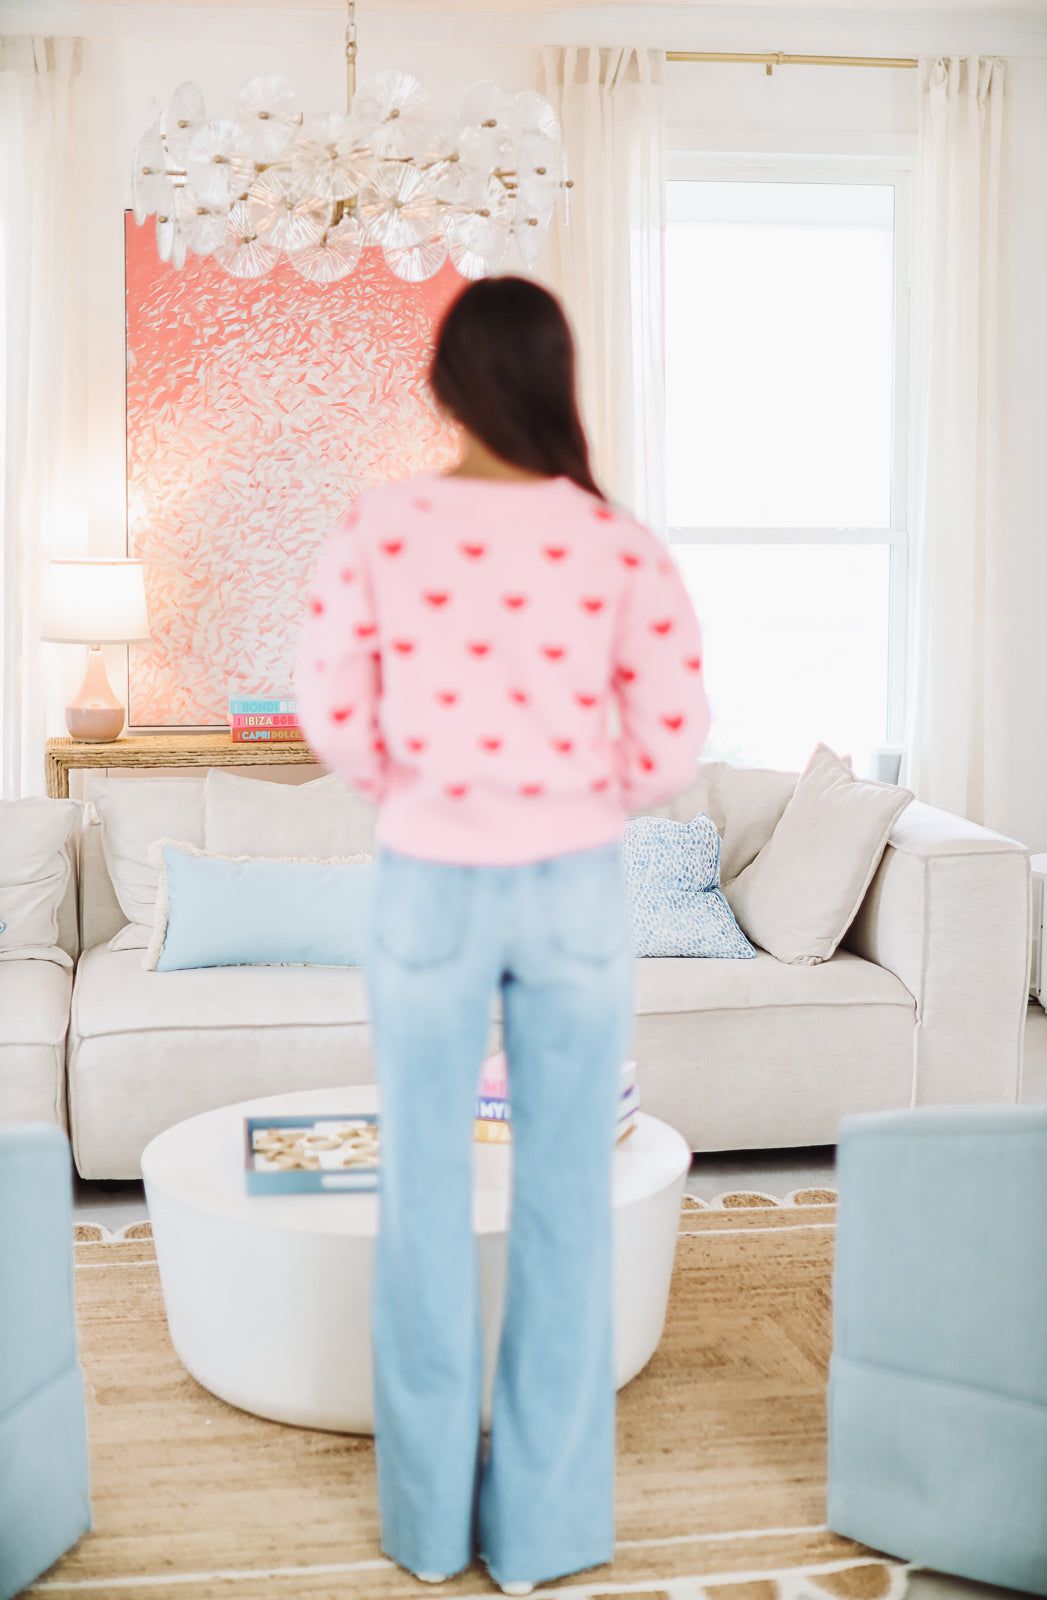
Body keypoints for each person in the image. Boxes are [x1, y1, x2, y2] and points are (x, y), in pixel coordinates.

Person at [295, 276, 709, 1594]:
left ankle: (426, 1532)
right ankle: (542, 1535)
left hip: (428, 876)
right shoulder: (618, 543)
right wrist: (574, 796)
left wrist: (420, 791)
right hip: (575, 879)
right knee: (565, 1204)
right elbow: (674, 743)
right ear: (557, 379)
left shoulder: (382, 526)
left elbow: (329, 709)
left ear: (447, 385)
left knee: (420, 1195)